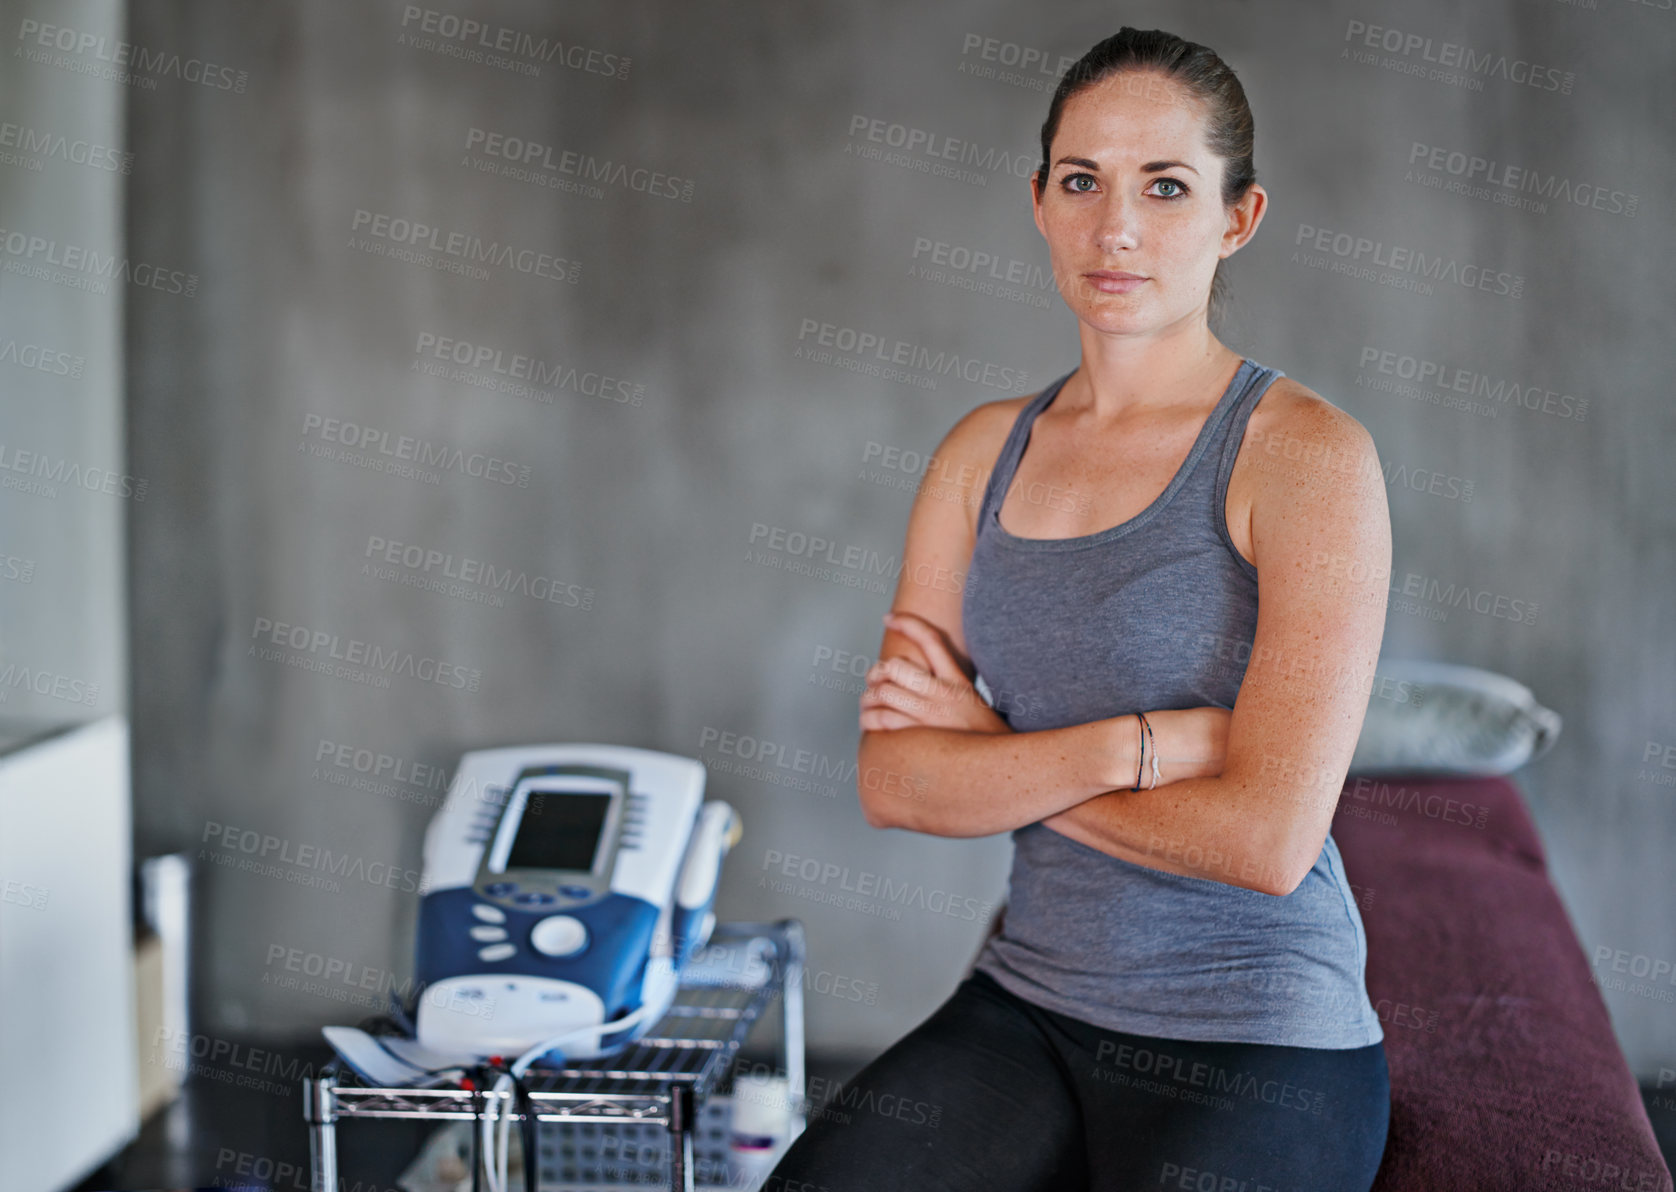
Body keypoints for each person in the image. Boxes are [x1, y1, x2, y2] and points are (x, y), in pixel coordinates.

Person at [765, 26, 1394, 1192]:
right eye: (1080, 181)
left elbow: (1264, 843)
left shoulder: (1304, 458)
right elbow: (895, 782)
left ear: (1236, 218)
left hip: (1258, 1032)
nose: (1115, 228)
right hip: (1031, 1005)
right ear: (1040, 204)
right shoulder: (979, 453)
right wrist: (1140, 749)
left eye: (1164, 187)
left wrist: (992, 754)